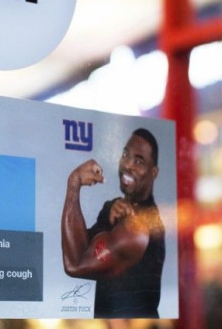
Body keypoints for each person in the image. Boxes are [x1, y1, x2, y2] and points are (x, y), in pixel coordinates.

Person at [61, 128, 165, 318]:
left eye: (139, 161)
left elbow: (74, 264)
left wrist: (74, 182)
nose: (128, 165)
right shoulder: (113, 208)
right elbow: (79, 248)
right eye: (126, 154)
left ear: (153, 172)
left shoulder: (141, 226)